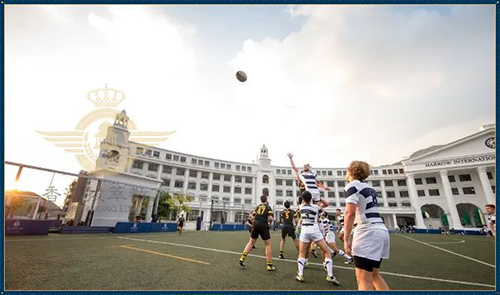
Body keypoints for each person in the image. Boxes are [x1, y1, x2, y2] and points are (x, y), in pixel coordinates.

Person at [343, 161, 390, 291]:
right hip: (380, 229)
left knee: (363, 279)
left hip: (367, 231)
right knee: (375, 276)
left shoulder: (352, 186)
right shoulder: (369, 187)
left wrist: (346, 239)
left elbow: (349, 213)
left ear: (351, 171)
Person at [295, 191, 340, 285]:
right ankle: (330, 275)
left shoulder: (301, 207)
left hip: (304, 230)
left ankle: (300, 274)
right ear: (311, 198)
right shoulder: (316, 207)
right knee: (327, 251)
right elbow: (326, 204)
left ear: (303, 199)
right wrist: (318, 198)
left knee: (301, 253)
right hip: (315, 230)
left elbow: (301, 205)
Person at [239, 195, 276, 271]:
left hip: (255, 224)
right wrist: (270, 223)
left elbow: (252, 217)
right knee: (267, 244)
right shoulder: (268, 207)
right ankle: (269, 265)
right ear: (266, 200)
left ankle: (242, 258)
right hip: (263, 225)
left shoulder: (257, 207)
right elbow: (271, 218)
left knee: (251, 242)